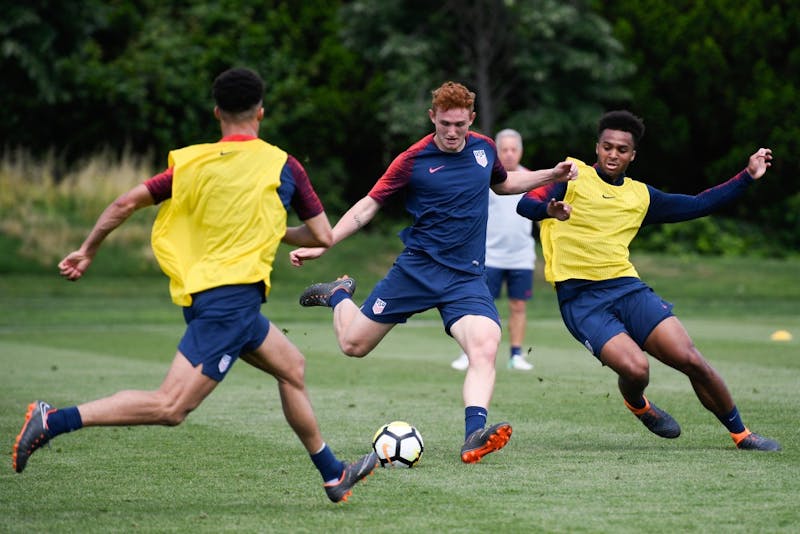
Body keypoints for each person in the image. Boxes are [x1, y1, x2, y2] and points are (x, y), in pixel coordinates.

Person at [12, 67, 378, 502]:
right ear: (261, 112)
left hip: (216, 298)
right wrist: (273, 228)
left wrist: (88, 249)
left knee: (291, 368)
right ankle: (53, 420)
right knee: (171, 407)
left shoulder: (190, 163)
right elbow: (321, 235)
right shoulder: (284, 166)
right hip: (231, 304)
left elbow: (125, 201)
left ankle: (334, 475)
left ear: (217, 112)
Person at [290, 81, 578, 464]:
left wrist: (551, 175)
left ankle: (474, 433)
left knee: (485, 345)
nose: (453, 132)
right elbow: (367, 207)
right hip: (417, 272)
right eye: (445, 124)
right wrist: (323, 242)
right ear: (433, 118)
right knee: (353, 346)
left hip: (466, 278)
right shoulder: (413, 158)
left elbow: (504, 183)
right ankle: (338, 294)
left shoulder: (484, 148)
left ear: (471, 119)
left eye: (460, 124)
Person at [516, 109, 780, 451]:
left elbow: (698, 204)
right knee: (637, 370)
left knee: (691, 359)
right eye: (607, 147)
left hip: (627, 288)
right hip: (581, 298)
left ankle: (742, 434)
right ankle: (638, 402)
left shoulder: (640, 196)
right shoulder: (570, 174)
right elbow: (525, 204)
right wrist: (548, 210)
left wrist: (747, 175)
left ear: (632, 155)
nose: (613, 154)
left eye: (621, 149)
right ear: (596, 147)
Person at [451, 128, 536, 372]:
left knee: (518, 306)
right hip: (489, 255)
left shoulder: (531, 179)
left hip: (521, 257)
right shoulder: (485, 176)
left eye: (514, 149)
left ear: (520, 151)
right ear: (496, 150)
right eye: (504, 149)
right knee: (479, 307)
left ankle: (516, 355)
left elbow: (543, 215)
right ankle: (469, 354)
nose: (509, 154)